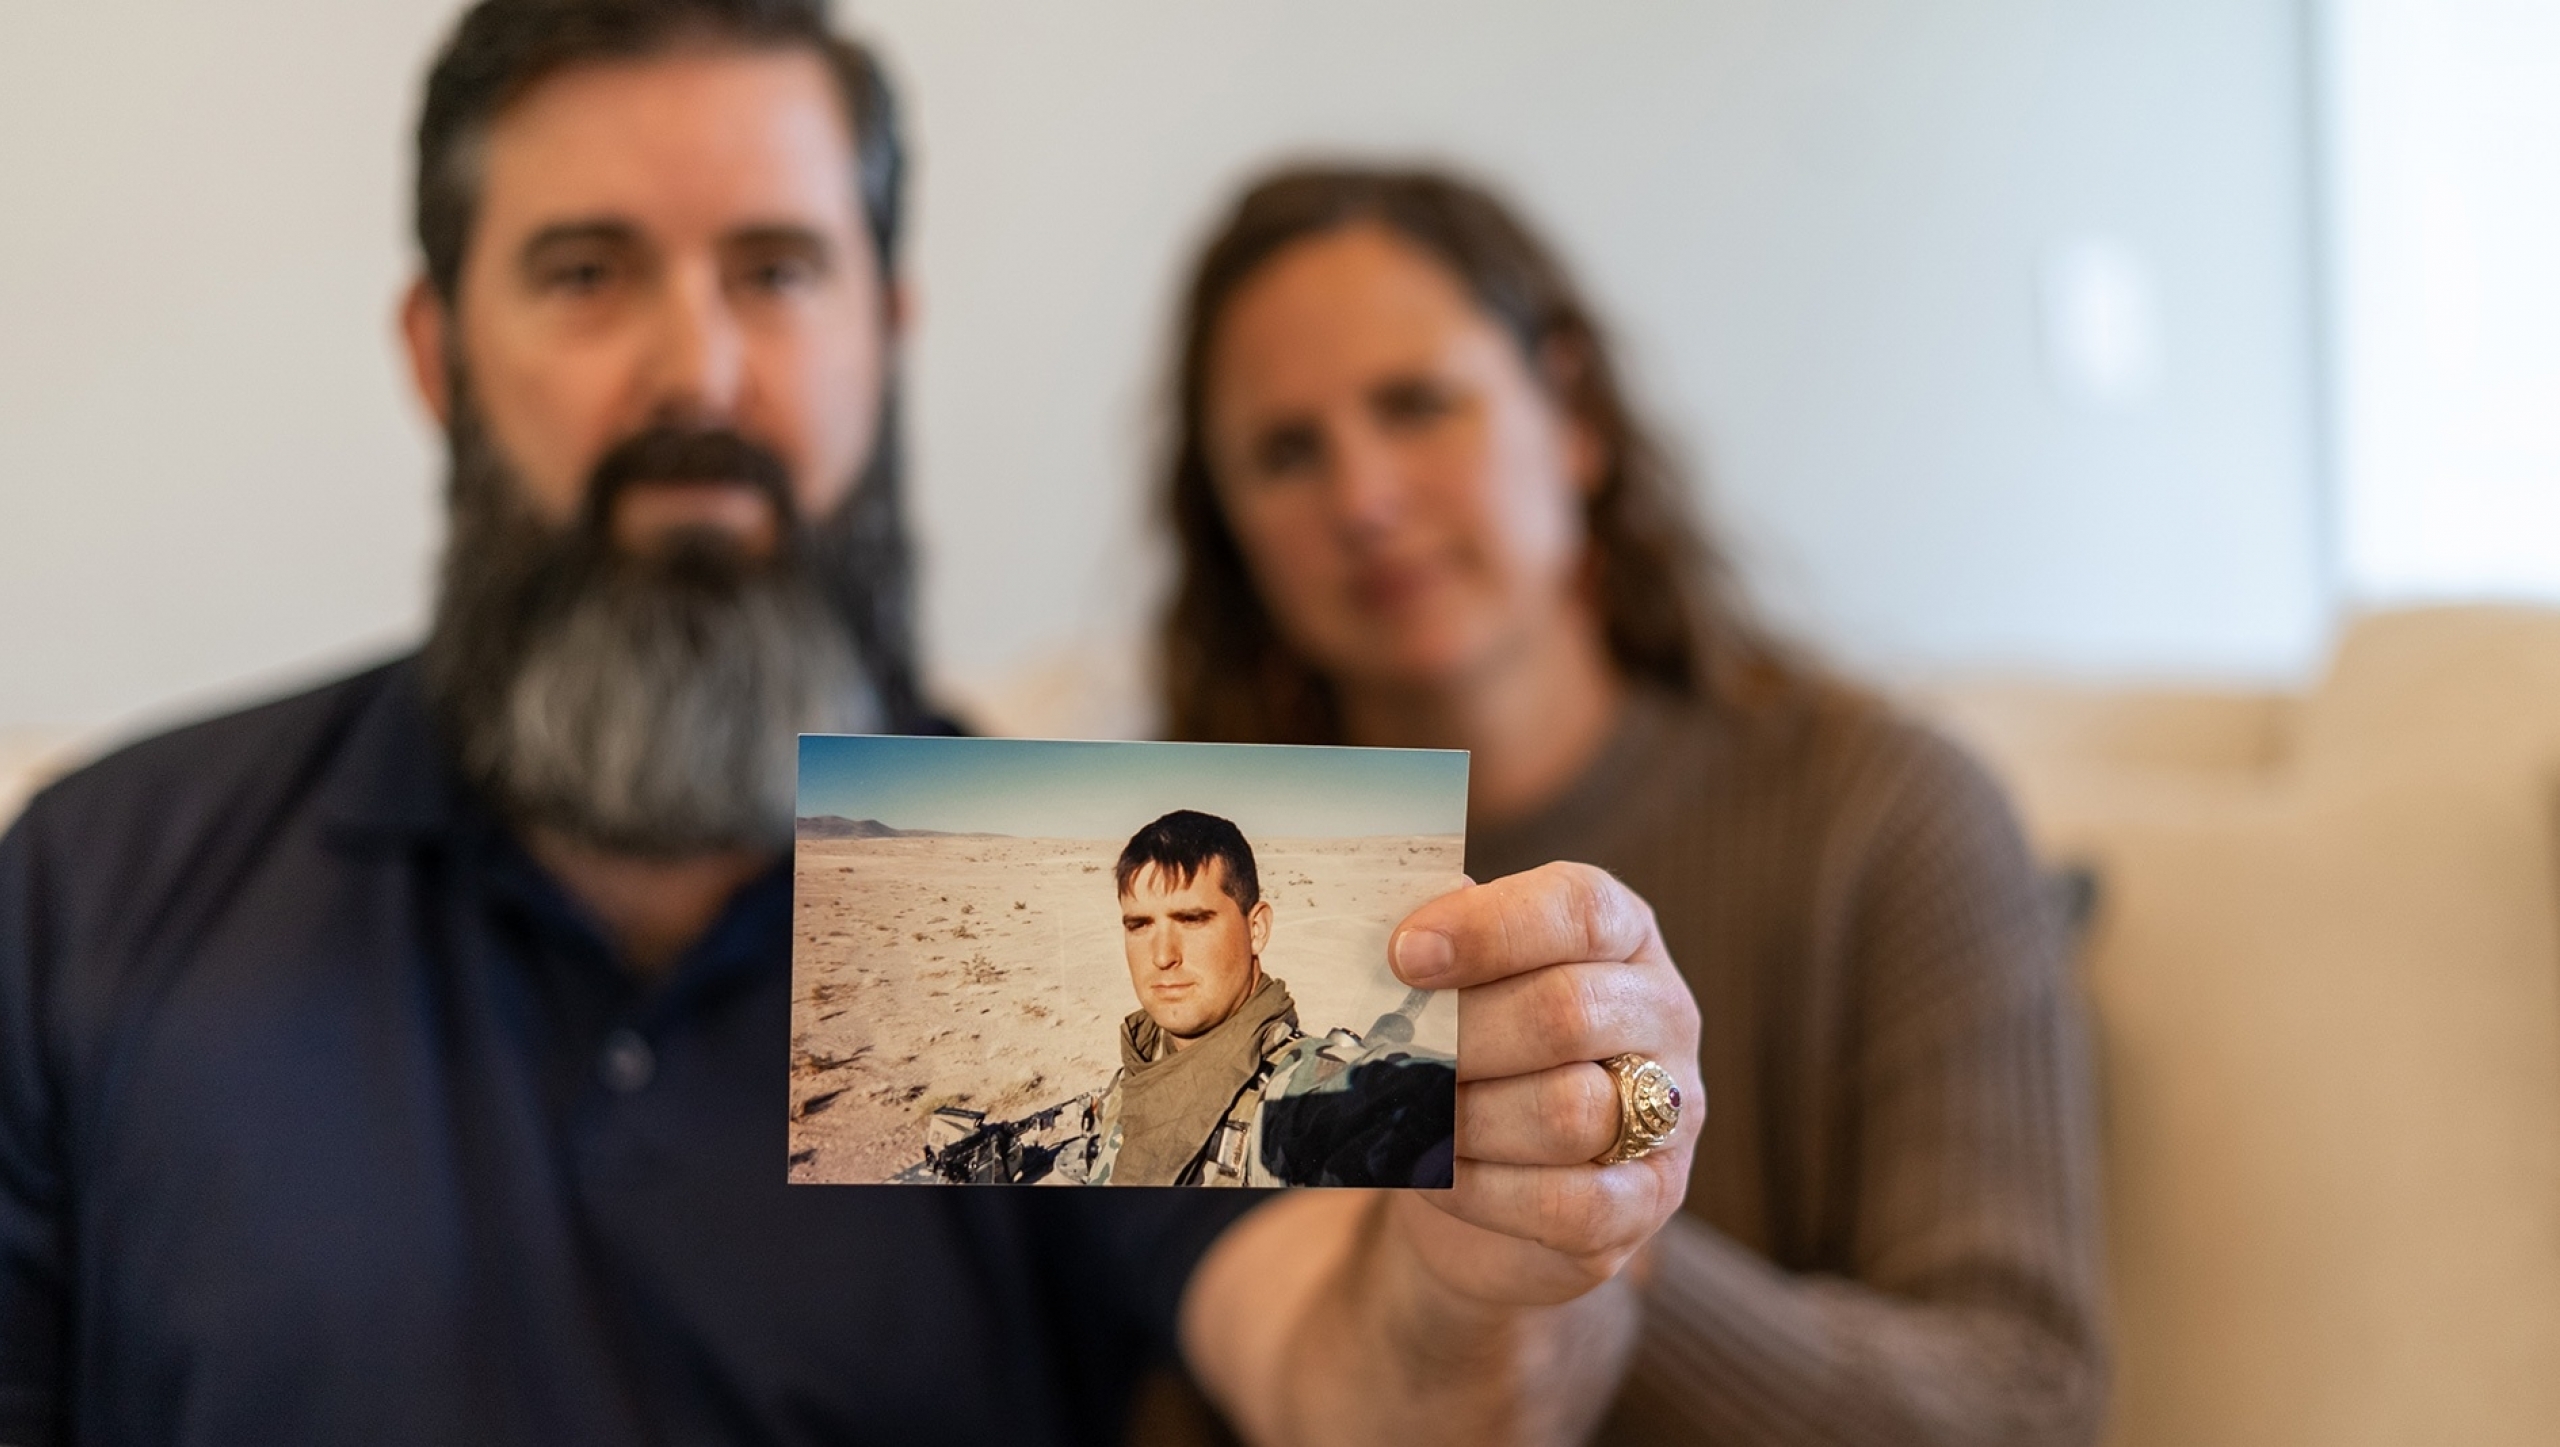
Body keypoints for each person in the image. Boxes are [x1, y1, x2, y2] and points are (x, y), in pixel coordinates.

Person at [0, 8, 1706, 1445]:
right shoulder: (96, 890)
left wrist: (1498, 1263)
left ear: (885, 334)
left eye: (778, 270)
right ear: (441, 355)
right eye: (588, 273)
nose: (701, 372)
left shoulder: (1092, 888)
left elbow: (1354, 1366)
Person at [1152, 165, 2108, 1442]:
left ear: (1574, 418)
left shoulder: (1885, 818)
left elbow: (2021, 1403)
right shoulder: (1200, 900)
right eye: (1286, 453)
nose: (1365, 500)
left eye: (1417, 404)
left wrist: (1599, 1225)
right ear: (1231, 541)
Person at [1086, 809, 1454, 1188]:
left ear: (1256, 929)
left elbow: (1411, 1110)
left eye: (1192, 920)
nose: (1163, 956)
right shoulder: (1135, 1070)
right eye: (1139, 925)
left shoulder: (1295, 1099)